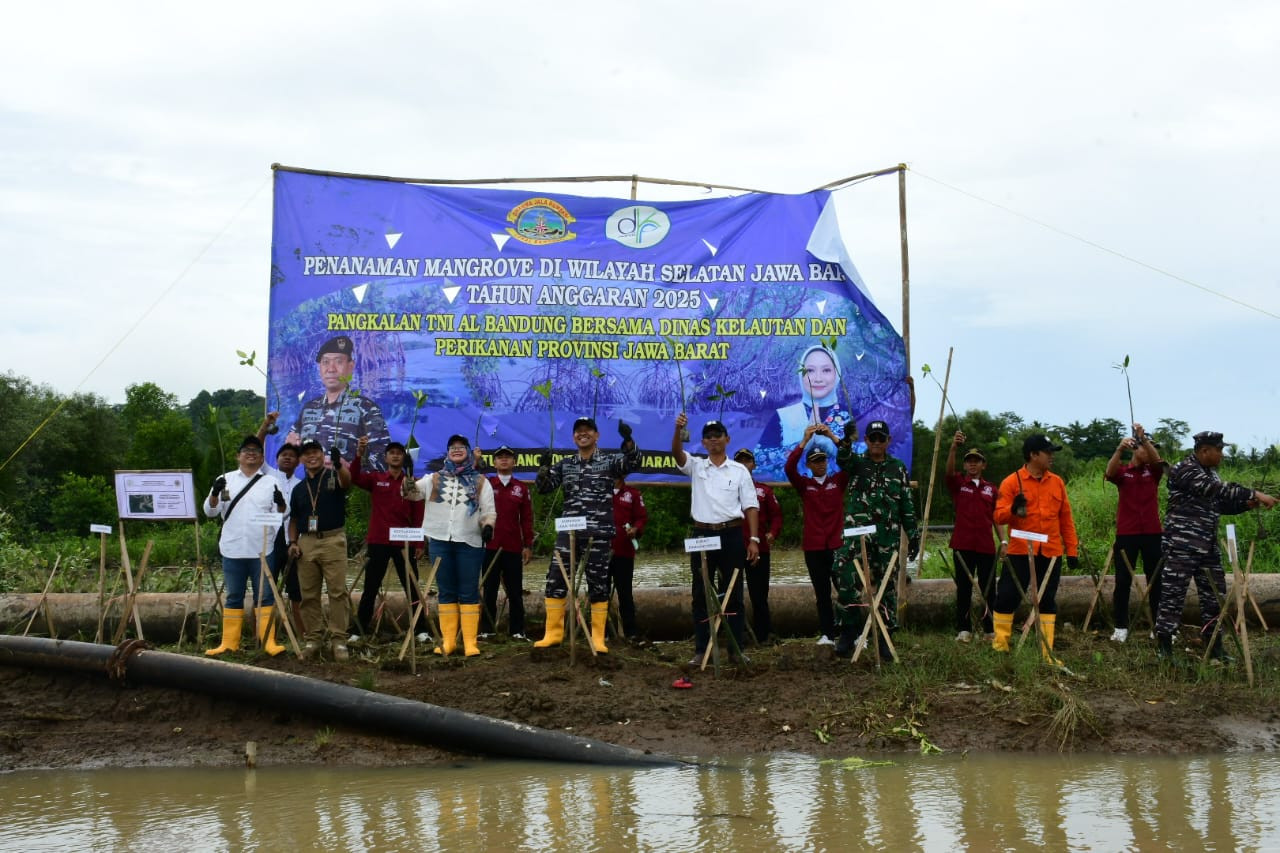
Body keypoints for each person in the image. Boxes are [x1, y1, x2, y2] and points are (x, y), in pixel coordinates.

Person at [1156, 430, 1277, 660]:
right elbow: (1216, 491)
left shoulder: (1210, 474)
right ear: (1204, 451)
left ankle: (1214, 645)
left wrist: (1248, 504)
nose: (1222, 454)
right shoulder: (1186, 470)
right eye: (1219, 450)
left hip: (1207, 546)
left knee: (1214, 596)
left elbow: (1219, 505)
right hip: (1182, 545)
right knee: (1173, 595)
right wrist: (1255, 493)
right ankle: (1165, 647)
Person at [533, 417, 642, 653]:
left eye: (588, 430)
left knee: (598, 584)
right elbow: (543, 488)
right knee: (555, 579)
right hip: (568, 532)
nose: (583, 434)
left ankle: (598, 637)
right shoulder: (565, 464)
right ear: (574, 437)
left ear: (597, 435)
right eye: (578, 431)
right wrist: (542, 468)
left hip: (599, 532)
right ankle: (553, 633)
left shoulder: (609, 461)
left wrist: (628, 441)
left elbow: (632, 463)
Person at [672, 414, 760, 663]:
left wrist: (753, 539)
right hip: (702, 534)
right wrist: (678, 431)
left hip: (731, 533)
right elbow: (677, 454)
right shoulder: (696, 465)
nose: (713, 441)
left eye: (717, 436)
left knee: (733, 591)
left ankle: (736, 649)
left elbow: (751, 506)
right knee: (701, 592)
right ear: (703, 442)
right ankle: (702, 649)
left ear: (727, 439)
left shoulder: (740, 470)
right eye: (708, 437)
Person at [833, 419, 919, 659]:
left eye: (882, 438)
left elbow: (906, 504)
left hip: (886, 536)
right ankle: (848, 631)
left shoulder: (898, 468)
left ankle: (884, 636)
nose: (877, 443)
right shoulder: (857, 462)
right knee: (847, 579)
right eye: (873, 438)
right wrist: (846, 440)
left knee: (886, 586)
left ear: (888, 441)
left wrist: (912, 534)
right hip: (856, 535)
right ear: (866, 440)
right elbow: (842, 460)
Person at [992, 434, 1079, 664]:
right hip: (1020, 550)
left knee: (1047, 600)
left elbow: (1066, 519)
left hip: (1050, 552)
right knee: (1007, 596)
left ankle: (1046, 653)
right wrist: (1013, 508)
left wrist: (1072, 550)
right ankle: (1001, 645)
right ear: (1033, 455)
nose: (1051, 456)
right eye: (1047, 452)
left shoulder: (1057, 482)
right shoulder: (1011, 482)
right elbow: (998, 515)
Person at [407, 434, 497, 657]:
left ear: (467, 450)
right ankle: (448, 641)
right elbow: (412, 494)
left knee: (468, 592)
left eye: (461, 447)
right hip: (439, 540)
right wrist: (407, 480)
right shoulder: (433, 479)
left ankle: (469, 642)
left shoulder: (480, 481)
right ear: (447, 452)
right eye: (452, 447)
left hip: (470, 541)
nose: (456, 450)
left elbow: (488, 510)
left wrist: (488, 526)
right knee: (446, 591)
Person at [202, 434, 288, 657]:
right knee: (233, 595)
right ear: (237, 456)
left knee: (266, 596)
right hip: (232, 548)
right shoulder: (225, 479)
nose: (251, 453)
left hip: (262, 549)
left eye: (256, 451)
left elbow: (283, 514)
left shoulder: (272, 481)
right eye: (246, 450)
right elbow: (210, 511)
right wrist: (214, 493)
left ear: (261, 458)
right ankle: (229, 642)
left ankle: (267, 641)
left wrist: (280, 505)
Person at [348, 437, 428, 644]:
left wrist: (420, 543)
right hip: (379, 541)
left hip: (404, 542)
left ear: (404, 458)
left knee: (412, 587)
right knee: (370, 588)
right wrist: (359, 454)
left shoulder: (411, 483)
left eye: (399, 453)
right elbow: (354, 477)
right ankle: (358, 630)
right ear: (385, 457)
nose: (395, 455)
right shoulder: (376, 479)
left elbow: (419, 515)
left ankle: (421, 630)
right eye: (391, 452)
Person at [287, 439, 354, 660]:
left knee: (337, 592)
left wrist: (338, 465)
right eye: (306, 454)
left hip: (333, 539)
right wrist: (293, 542)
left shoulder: (334, 477)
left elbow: (348, 482)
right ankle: (313, 639)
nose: (311, 456)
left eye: (315, 451)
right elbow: (294, 519)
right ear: (301, 460)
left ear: (321, 453)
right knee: (308, 594)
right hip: (306, 542)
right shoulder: (298, 489)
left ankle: (339, 640)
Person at [286, 335, 392, 471]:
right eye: (325, 362)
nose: (331, 369)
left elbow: (384, 461)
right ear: (319, 368)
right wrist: (293, 447)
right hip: (312, 490)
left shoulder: (366, 408)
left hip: (350, 490)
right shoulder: (309, 408)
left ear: (350, 366)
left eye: (338, 361)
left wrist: (349, 469)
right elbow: (290, 448)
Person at [785, 425, 850, 647]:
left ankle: (853, 633)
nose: (820, 463)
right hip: (813, 549)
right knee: (822, 595)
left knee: (846, 592)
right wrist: (804, 440)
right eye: (815, 461)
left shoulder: (838, 482)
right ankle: (828, 634)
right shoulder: (805, 485)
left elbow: (851, 461)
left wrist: (832, 436)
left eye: (823, 459)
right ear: (809, 465)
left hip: (837, 545)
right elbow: (789, 467)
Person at [1105, 423, 1164, 643]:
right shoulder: (1123, 472)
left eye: (1151, 448)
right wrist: (1120, 449)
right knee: (1122, 581)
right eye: (1144, 448)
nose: (1149, 452)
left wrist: (1144, 439)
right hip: (1127, 535)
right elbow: (1110, 473)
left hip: (1152, 534)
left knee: (1156, 580)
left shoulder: (1155, 471)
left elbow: (1158, 461)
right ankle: (1120, 626)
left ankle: (1159, 625)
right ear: (1134, 450)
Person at [757, 345, 854, 465]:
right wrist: (800, 446)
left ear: (837, 374)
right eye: (810, 371)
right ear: (800, 375)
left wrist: (835, 448)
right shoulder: (783, 416)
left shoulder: (851, 416)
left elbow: (867, 456)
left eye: (826, 370)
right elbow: (758, 461)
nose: (818, 379)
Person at [945, 431, 999, 642]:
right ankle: (964, 629)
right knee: (964, 588)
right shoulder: (959, 484)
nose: (973, 465)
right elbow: (948, 472)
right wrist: (953, 447)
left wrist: (1002, 541)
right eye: (969, 462)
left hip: (986, 546)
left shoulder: (991, 489)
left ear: (983, 465)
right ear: (965, 465)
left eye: (977, 461)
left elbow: (996, 517)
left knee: (988, 589)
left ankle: (989, 629)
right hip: (963, 544)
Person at [482, 445, 535, 640]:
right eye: (500, 457)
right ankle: (486, 630)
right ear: (494, 462)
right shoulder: (486, 485)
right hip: (489, 546)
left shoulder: (521, 488)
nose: (504, 460)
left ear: (514, 462)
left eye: (508, 457)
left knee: (515, 591)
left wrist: (528, 545)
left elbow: (527, 519)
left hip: (513, 547)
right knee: (489, 590)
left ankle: (517, 631)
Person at [735, 448, 782, 644]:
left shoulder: (764, 490)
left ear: (754, 465)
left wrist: (773, 533)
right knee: (730, 593)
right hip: (734, 548)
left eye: (748, 461)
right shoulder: (727, 489)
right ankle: (735, 636)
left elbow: (777, 516)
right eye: (740, 461)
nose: (745, 464)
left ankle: (764, 634)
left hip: (759, 548)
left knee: (759, 593)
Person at [269, 440, 305, 636]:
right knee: (268, 588)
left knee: (296, 590)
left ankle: (301, 632)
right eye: (284, 455)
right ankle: (266, 632)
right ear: (276, 459)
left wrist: (295, 541)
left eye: (292, 455)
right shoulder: (268, 478)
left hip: (293, 543)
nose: (288, 457)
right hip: (271, 541)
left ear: (298, 461)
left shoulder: (301, 485)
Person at [607, 475, 649, 640]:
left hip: (623, 551)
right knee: (600, 593)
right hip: (600, 552)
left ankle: (631, 633)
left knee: (625, 593)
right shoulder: (598, 492)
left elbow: (642, 517)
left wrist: (636, 529)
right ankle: (602, 634)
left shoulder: (633, 494)